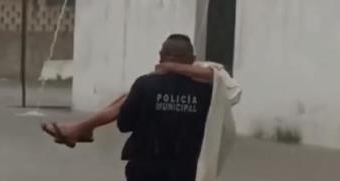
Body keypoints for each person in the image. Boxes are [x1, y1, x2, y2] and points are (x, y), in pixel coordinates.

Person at [114, 34, 214, 181]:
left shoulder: (144, 85)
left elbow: (124, 124)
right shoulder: (207, 91)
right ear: (192, 60)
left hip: (144, 169)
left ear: (161, 56)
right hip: (184, 173)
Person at [41, 55, 237, 148]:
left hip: (191, 147)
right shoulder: (166, 80)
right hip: (172, 152)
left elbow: (220, 78)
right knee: (125, 97)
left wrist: (172, 67)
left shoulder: (209, 72)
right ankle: (83, 128)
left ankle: (80, 129)